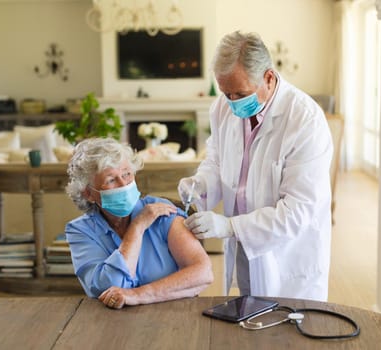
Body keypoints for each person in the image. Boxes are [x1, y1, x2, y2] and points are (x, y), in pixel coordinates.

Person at [178, 31, 333, 301]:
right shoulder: (222, 108)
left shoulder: (305, 120)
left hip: (287, 258)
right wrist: (201, 183)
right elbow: (216, 158)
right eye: (227, 93)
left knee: (287, 334)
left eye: (241, 93)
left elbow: (297, 212)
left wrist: (229, 227)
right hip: (245, 248)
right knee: (247, 319)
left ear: (269, 78)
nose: (234, 102)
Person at [65, 137, 213, 309]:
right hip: (110, 323)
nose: (123, 185)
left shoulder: (162, 212)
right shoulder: (80, 231)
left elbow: (203, 273)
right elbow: (107, 287)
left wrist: (138, 295)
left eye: (127, 174)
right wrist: (137, 227)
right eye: (111, 180)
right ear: (89, 194)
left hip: (173, 316)